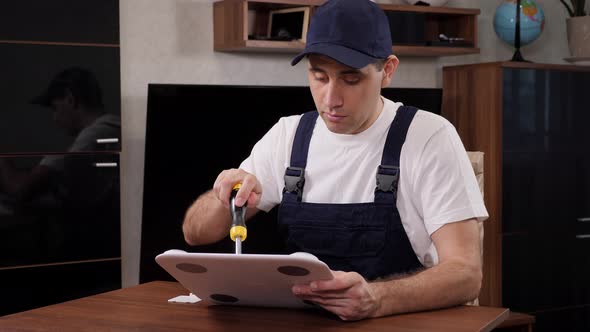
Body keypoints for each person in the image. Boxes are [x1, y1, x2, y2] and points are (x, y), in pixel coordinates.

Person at [182, 0, 488, 321]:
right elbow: (194, 234)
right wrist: (225, 198)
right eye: (319, 76)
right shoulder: (289, 135)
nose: (331, 99)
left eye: (350, 79)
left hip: (398, 323)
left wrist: (378, 298)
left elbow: (466, 275)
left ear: (387, 70)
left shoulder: (428, 136)